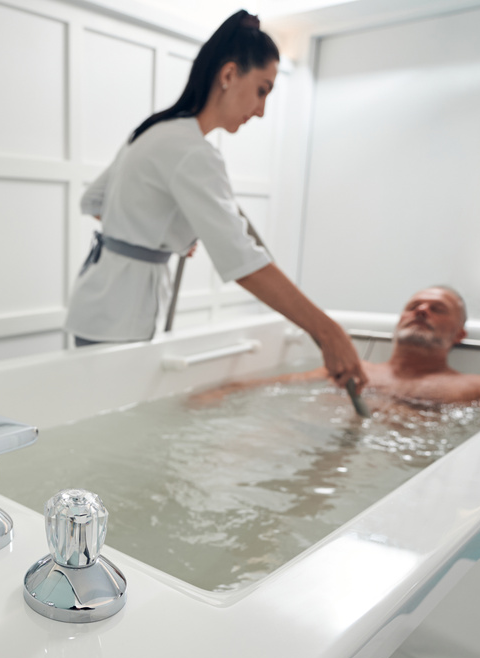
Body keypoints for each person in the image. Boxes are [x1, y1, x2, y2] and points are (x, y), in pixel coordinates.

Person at [65, 9, 367, 392]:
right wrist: (329, 333)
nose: (260, 110)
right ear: (228, 75)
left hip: (97, 304)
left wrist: (160, 230)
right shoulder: (193, 151)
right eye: (262, 90)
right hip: (119, 316)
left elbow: (94, 201)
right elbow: (244, 262)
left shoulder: (153, 129)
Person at [199, 286, 480, 406]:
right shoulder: (353, 370)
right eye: (414, 306)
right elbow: (277, 386)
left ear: (460, 335)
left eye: (437, 309)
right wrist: (226, 389)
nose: (422, 311)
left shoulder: (479, 387)